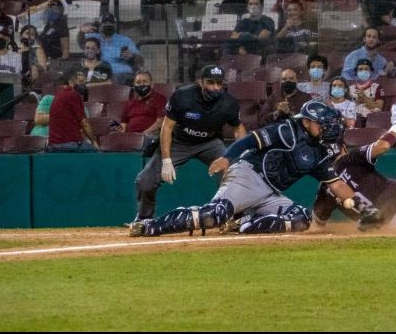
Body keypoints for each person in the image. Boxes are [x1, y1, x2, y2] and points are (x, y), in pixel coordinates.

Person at [129, 100, 382, 237]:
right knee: (212, 216)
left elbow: (337, 185)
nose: (328, 128)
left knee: (300, 219)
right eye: (322, 124)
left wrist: (367, 210)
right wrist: (227, 158)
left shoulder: (318, 152)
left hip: (269, 194)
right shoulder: (286, 130)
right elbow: (250, 140)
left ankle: (242, 224)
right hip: (248, 176)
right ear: (306, 122)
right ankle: (150, 226)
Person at [133, 65, 246, 221]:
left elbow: (238, 129)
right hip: (179, 142)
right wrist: (166, 160)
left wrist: (238, 157)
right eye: (210, 82)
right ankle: (144, 219)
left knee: (234, 175)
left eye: (219, 83)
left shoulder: (229, 103)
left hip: (210, 143)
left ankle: (237, 217)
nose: (215, 87)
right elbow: (167, 127)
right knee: (145, 181)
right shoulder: (182, 96)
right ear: (200, 82)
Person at [79, 13, 143, 85]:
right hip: (100, 73)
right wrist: (81, 31)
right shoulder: (94, 37)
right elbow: (81, 44)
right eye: (105, 23)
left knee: (116, 79)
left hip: (122, 73)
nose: (108, 25)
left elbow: (140, 60)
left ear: (115, 25)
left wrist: (132, 56)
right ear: (100, 25)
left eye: (110, 23)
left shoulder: (125, 40)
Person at [47, 67, 99, 151]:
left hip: (53, 145)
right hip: (69, 144)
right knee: (96, 153)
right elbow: (84, 123)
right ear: (71, 82)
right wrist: (94, 141)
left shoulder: (59, 94)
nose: (82, 85)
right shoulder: (73, 95)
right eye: (80, 82)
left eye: (84, 82)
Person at [119, 69, 167, 146]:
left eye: (145, 82)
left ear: (151, 83)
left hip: (148, 136)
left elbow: (161, 122)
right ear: (134, 84)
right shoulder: (130, 102)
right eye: (138, 82)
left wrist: (142, 135)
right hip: (130, 137)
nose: (141, 84)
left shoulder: (159, 99)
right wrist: (119, 130)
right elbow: (123, 124)